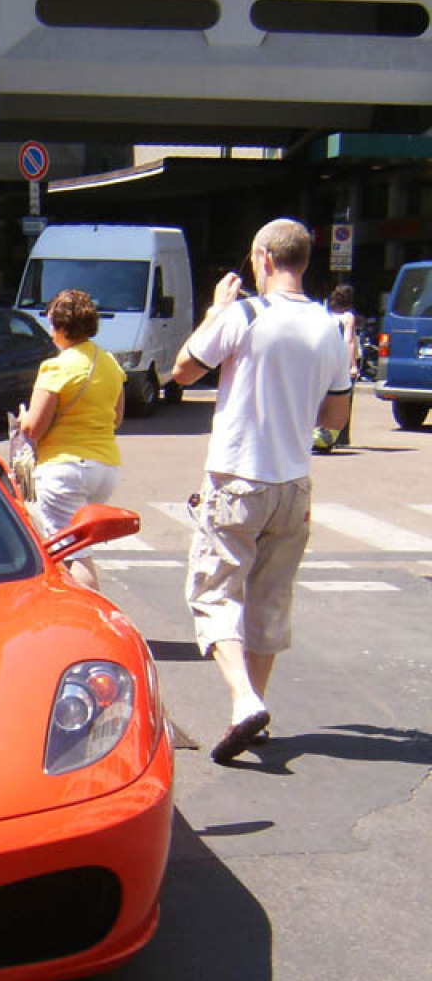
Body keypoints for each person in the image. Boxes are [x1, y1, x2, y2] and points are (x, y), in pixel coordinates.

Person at [171, 217, 353, 765]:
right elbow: (337, 415)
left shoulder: (244, 314)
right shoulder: (327, 325)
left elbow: (182, 372)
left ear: (264, 259)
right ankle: (252, 710)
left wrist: (212, 313)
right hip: (293, 483)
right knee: (270, 601)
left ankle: (245, 700)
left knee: (214, 592)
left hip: (237, 478)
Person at [18, 287, 125, 592]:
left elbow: (34, 427)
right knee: (79, 545)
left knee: (72, 553)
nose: (51, 332)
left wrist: (23, 418)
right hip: (104, 468)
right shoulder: (110, 363)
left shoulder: (56, 367)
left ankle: (85, 616)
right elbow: (116, 418)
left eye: (52, 324)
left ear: (62, 328)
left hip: (65, 468)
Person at [313, 283, 359, 452]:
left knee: (325, 397)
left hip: (327, 356)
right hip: (342, 359)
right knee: (343, 399)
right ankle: (339, 436)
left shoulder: (327, 315)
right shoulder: (348, 317)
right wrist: (352, 364)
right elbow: (349, 341)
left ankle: (321, 432)